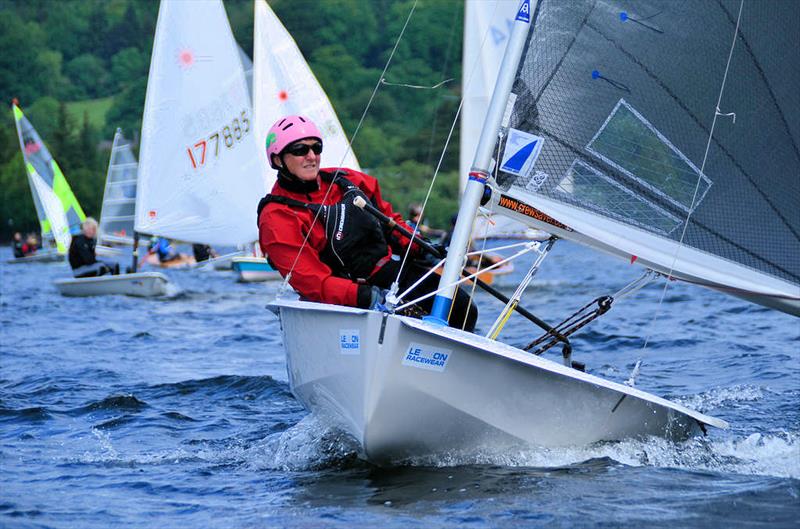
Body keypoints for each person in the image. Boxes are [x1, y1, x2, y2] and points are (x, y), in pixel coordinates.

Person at [257, 115, 477, 331]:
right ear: (278, 160)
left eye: (317, 147)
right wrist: (367, 297)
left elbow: (392, 224)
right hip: (334, 299)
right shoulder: (276, 217)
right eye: (300, 150)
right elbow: (311, 282)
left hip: (385, 273)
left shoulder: (350, 181)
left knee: (462, 309)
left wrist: (424, 248)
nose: (312, 156)